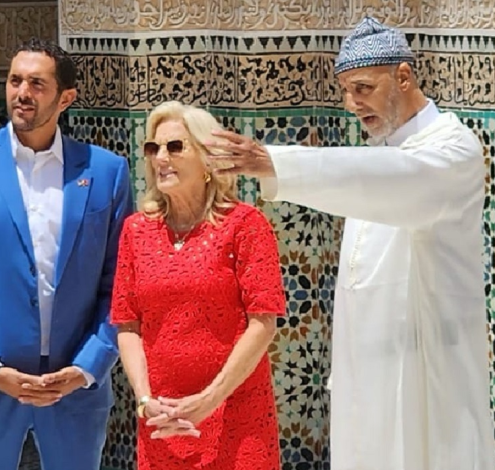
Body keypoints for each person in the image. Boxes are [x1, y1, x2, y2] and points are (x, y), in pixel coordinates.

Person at [208, 16, 495, 470]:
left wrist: (277, 162)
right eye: (345, 91)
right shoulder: (379, 155)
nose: (352, 104)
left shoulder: (452, 149)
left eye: (363, 88)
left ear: (404, 77)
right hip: (369, 375)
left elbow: (402, 178)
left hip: (430, 376)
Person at [0, 37, 133, 470]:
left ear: (66, 98)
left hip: (74, 385)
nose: (22, 93)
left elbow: (121, 284)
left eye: (37, 84)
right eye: (15, 81)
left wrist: (87, 366)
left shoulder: (105, 172)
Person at [110, 100, 285, 470]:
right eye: (153, 148)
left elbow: (263, 322)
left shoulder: (246, 225)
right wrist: (145, 400)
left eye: (175, 147)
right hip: (162, 420)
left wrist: (209, 400)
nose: (161, 158)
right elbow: (127, 325)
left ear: (208, 161)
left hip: (236, 417)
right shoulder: (135, 231)